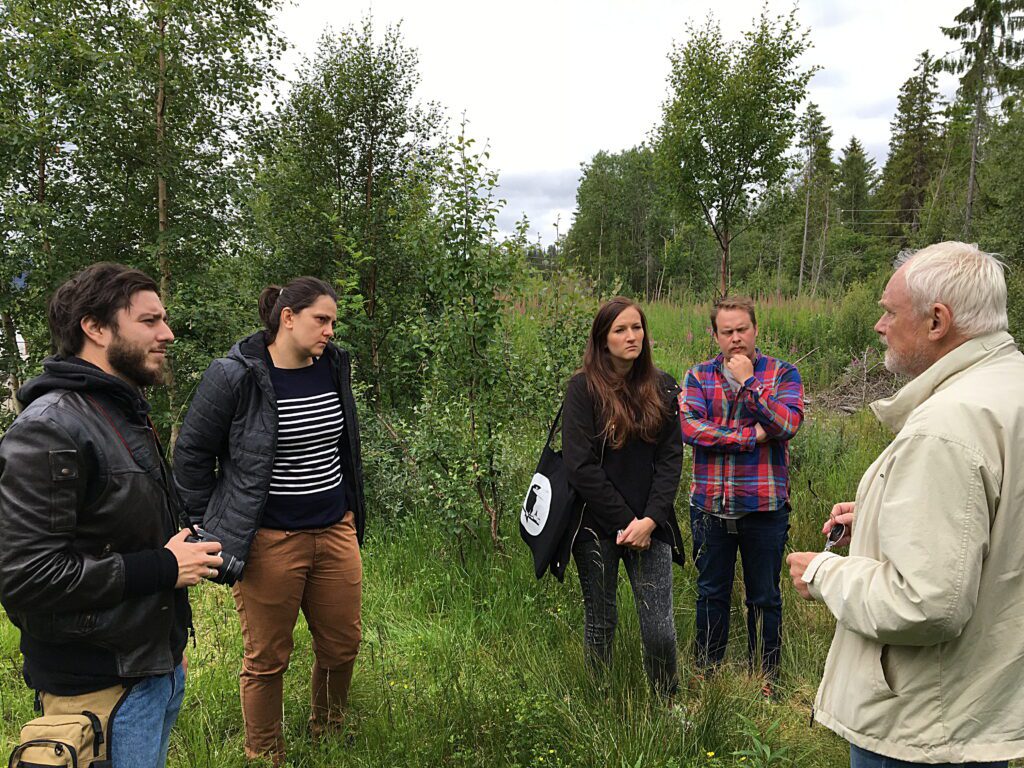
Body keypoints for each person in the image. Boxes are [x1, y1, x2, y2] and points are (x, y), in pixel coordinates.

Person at [787, 242, 1024, 768]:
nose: (878, 325)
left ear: (937, 319)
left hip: (923, 723)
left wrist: (825, 573)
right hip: (981, 703)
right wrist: (874, 517)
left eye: (889, 311)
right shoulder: (1009, 389)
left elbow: (926, 602)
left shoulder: (947, 426)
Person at [0, 263, 223, 768]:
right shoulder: (50, 429)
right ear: (94, 328)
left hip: (147, 674)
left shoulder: (121, 412)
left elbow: (120, 533)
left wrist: (164, 648)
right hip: (97, 691)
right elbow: (24, 576)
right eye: (149, 321)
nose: (167, 334)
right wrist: (165, 568)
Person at [173, 277, 365, 765]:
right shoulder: (235, 374)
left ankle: (329, 733)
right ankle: (264, 754)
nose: (329, 331)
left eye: (333, 323)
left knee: (342, 645)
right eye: (321, 320)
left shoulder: (334, 364)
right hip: (269, 542)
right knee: (267, 660)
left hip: (334, 529)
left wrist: (349, 512)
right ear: (287, 317)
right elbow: (192, 454)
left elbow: (345, 446)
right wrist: (206, 525)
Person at [679, 296, 804, 694]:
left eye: (742, 330)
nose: (736, 339)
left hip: (764, 506)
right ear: (715, 335)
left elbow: (787, 424)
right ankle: (708, 672)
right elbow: (691, 430)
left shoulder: (783, 374)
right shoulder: (698, 377)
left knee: (764, 596)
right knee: (710, 592)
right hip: (710, 507)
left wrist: (750, 383)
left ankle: (766, 677)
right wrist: (752, 436)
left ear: (755, 329)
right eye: (727, 332)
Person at [562, 297, 685, 698]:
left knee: (660, 631)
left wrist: (649, 520)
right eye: (620, 330)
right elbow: (580, 467)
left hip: (652, 525)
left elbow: (671, 461)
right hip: (595, 527)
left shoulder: (663, 386)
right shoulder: (581, 390)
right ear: (602, 339)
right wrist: (626, 523)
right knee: (601, 624)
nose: (631, 336)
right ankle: (598, 705)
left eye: (636, 327)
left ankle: (668, 706)